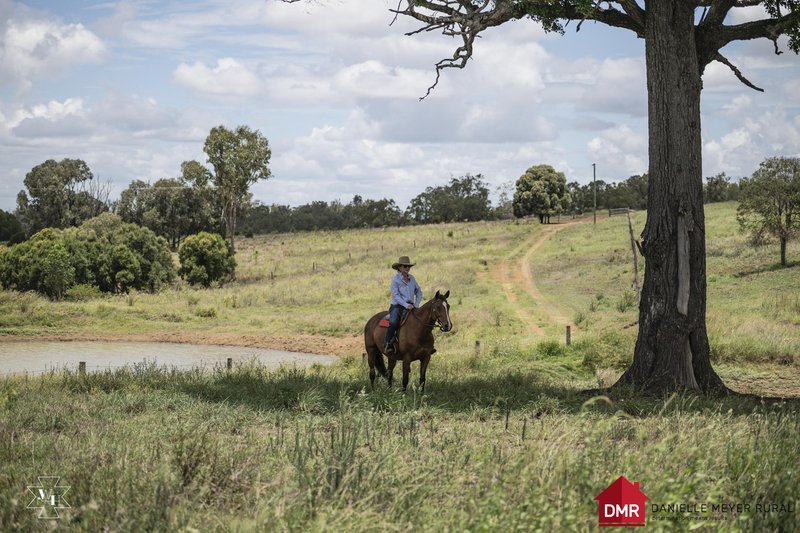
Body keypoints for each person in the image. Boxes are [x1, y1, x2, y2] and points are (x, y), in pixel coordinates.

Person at [384, 256, 423, 355]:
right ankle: (387, 343)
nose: (407, 268)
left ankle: (424, 344)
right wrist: (406, 305)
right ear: (400, 267)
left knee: (422, 321)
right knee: (393, 322)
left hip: (412, 306)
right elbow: (396, 296)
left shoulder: (412, 278)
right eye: (405, 266)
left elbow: (418, 292)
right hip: (398, 306)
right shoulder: (395, 280)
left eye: (409, 266)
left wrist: (417, 304)